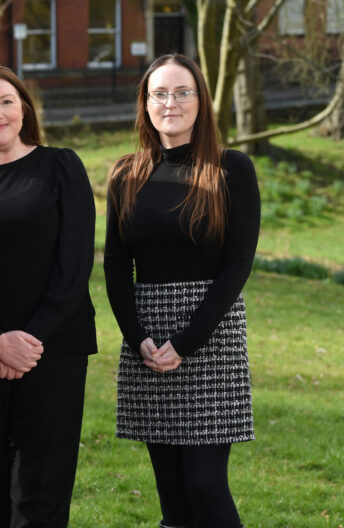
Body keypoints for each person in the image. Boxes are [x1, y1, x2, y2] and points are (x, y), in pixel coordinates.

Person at [104, 53, 261, 528]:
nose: (170, 103)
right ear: (145, 104)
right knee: (172, 494)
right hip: (148, 342)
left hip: (210, 335)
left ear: (201, 101)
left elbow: (238, 264)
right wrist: (138, 339)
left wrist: (189, 340)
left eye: (182, 92)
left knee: (204, 485)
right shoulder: (126, 174)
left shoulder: (231, 169)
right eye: (159, 93)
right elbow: (116, 267)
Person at [0, 64, 97, 527]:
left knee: (41, 496)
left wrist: (28, 342)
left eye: (6, 102)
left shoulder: (61, 166)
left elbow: (74, 266)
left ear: (24, 109)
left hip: (53, 351)